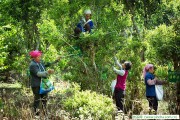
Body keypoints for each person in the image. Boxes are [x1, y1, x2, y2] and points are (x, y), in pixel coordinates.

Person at [29, 50, 60, 117]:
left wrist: (56, 60)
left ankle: (46, 115)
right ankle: (36, 116)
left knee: (45, 100)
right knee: (37, 101)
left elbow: (49, 64)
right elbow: (39, 74)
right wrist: (47, 72)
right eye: (38, 57)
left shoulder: (40, 62)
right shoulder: (32, 65)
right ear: (34, 58)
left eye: (40, 57)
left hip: (43, 85)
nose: (40, 58)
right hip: (36, 85)